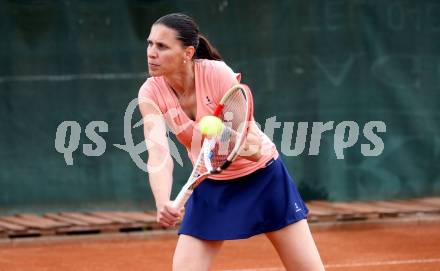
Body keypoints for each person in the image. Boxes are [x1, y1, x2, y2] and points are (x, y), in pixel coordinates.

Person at [138, 13, 325, 271]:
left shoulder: (217, 74)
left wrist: (244, 147)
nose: (151, 53)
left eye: (162, 46)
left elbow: (248, 142)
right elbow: (158, 152)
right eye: (150, 44)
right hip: (212, 184)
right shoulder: (150, 91)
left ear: (187, 52)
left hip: (263, 179)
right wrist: (163, 201)